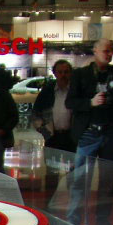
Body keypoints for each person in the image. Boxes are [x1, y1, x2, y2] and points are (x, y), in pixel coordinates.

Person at [65, 39, 113, 225]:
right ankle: (74, 221)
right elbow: (70, 102)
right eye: (105, 50)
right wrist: (90, 103)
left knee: (107, 181)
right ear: (94, 51)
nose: (108, 54)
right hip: (88, 133)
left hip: (111, 132)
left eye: (111, 51)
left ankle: (103, 221)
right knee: (80, 180)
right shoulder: (81, 74)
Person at [32, 60, 76, 199]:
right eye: (60, 72)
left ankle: (74, 204)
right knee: (52, 172)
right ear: (55, 73)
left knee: (73, 174)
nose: (63, 75)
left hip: (72, 138)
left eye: (66, 72)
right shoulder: (48, 91)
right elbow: (36, 114)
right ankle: (49, 204)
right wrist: (45, 132)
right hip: (53, 138)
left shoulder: (76, 91)